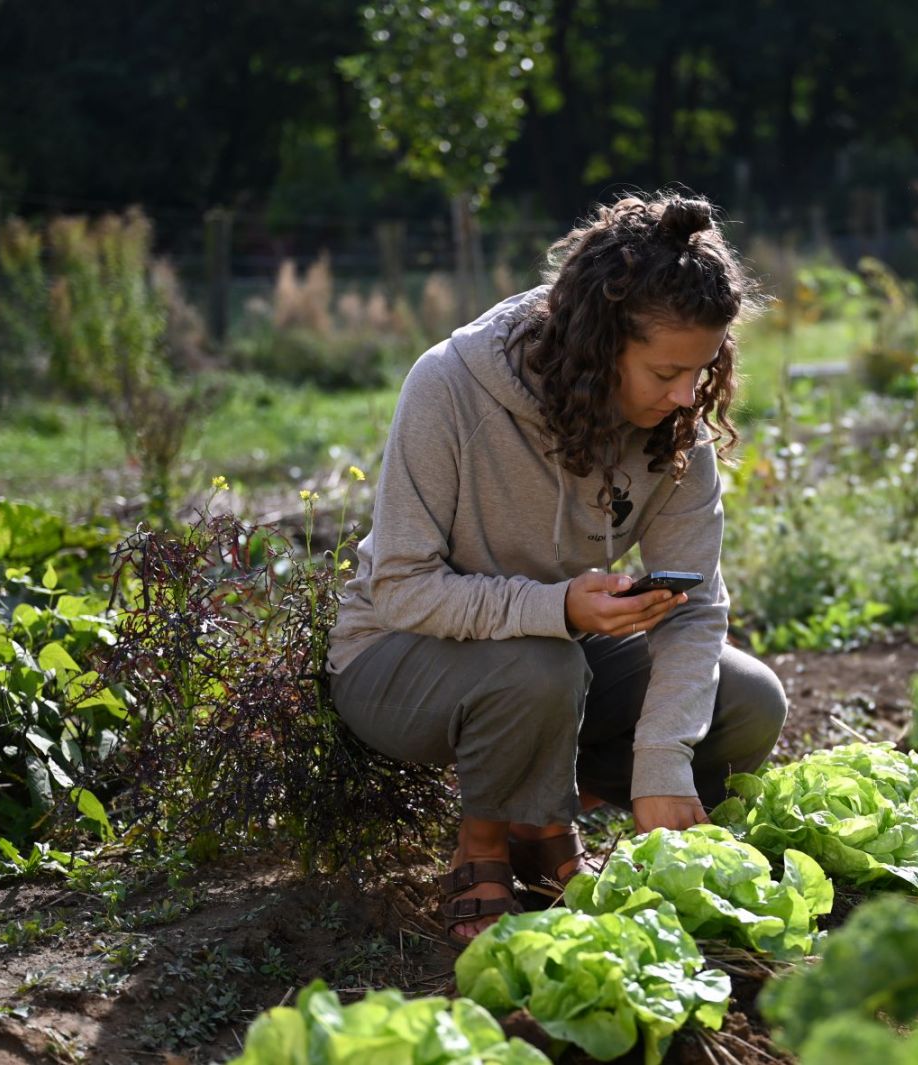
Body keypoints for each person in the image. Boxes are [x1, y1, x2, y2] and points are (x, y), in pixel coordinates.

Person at [326, 191, 788, 944]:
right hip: (393, 655)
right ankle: (485, 845)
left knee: (748, 703)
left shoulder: (675, 428)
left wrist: (663, 762)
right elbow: (402, 586)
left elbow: (697, 607)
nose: (686, 397)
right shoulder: (448, 386)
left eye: (701, 371)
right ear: (602, 343)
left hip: (554, 658)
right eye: (667, 370)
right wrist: (560, 610)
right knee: (540, 667)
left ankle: (544, 804)